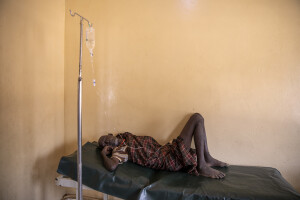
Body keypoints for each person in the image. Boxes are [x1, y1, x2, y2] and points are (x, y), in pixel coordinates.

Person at [98, 113, 228, 179]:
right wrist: (103, 154)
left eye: (106, 138)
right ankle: (202, 165)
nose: (108, 141)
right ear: (108, 148)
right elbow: (111, 166)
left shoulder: (125, 137)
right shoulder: (121, 151)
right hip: (169, 159)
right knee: (196, 118)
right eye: (105, 144)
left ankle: (207, 159)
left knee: (198, 118)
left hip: (167, 150)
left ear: (110, 134)